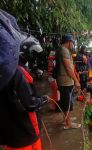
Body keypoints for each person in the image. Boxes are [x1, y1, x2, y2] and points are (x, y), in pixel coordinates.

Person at [0, 9, 50, 150]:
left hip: (9, 136)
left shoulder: (4, 71)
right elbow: (29, 104)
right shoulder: (17, 72)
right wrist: (42, 100)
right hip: (26, 133)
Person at [56, 34, 81, 130]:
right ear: (69, 42)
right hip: (65, 81)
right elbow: (68, 68)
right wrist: (76, 81)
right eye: (73, 42)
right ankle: (68, 124)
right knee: (68, 103)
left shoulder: (60, 50)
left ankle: (66, 119)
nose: (73, 45)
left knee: (66, 102)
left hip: (63, 81)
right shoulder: (64, 51)